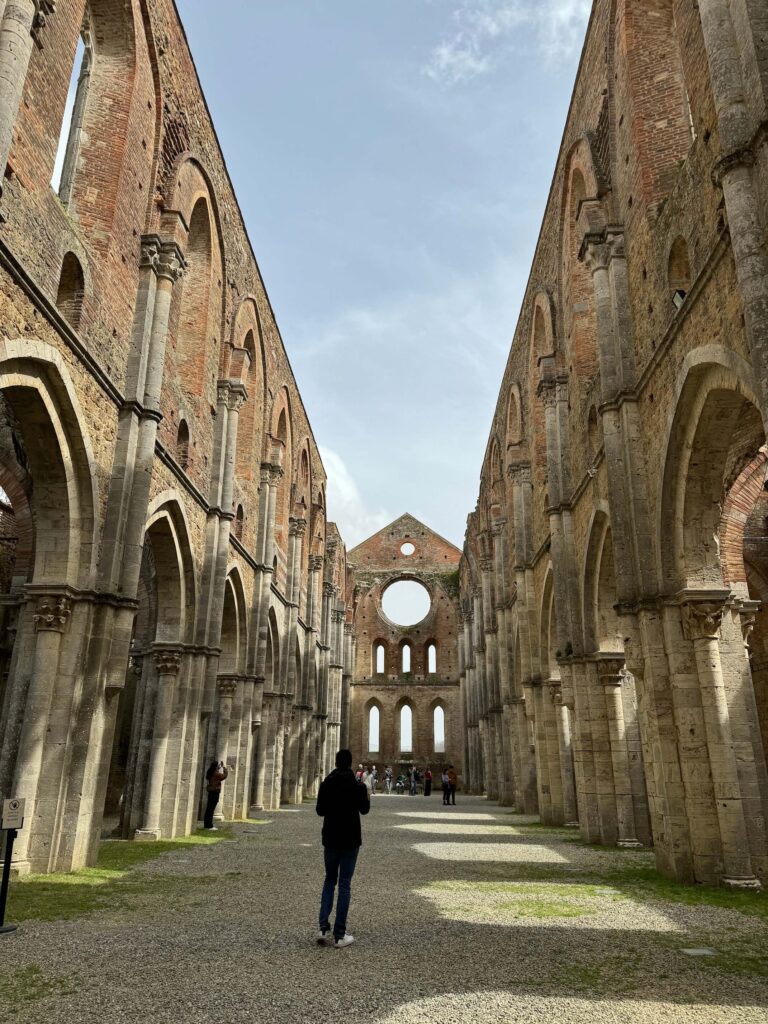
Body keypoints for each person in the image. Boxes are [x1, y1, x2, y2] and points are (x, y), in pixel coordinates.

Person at [316, 748, 370, 948]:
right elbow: (364, 810)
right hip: (350, 840)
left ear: (336, 762)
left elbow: (320, 810)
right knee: (345, 884)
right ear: (350, 763)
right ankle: (339, 935)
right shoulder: (357, 786)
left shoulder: (326, 784)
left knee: (329, 880)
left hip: (330, 838)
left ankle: (322, 927)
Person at [203, 760, 228, 829]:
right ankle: (209, 826)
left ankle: (206, 825)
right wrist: (224, 768)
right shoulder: (216, 774)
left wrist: (218, 767)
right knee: (211, 809)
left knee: (209, 809)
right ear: (216, 767)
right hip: (215, 792)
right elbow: (224, 776)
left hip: (211, 792)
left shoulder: (210, 772)